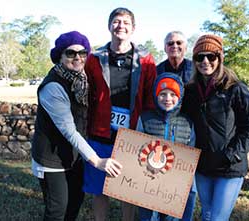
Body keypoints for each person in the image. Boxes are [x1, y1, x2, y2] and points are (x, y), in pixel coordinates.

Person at [31, 31, 122, 221]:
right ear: (60, 56)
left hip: (73, 156)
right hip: (52, 158)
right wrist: (97, 161)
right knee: (57, 209)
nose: (78, 57)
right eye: (70, 53)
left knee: (75, 202)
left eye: (82, 53)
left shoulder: (81, 80)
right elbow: (68, 129)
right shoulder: (53, 87)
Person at [83, 7, 157, 221]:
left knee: (128, 188)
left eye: (125, 22)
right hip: (100, 131)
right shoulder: (94, 58)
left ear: (133, 28)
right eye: (116, 21)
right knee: (99, 188)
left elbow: (150, 98)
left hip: (132, 134)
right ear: (109, 26)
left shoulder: (146, 60)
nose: (120, 26)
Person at [181, 34, 249, 221]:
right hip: (203, 165)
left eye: (211, 56)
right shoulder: (191, 91)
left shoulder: (236, 89)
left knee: (217, 218)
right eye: (200, 57)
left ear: (220, 58)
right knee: (207, 214)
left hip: (229, 166)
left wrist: (234, 153)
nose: (205, 61)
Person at [137, 72, 197, 221]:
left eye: (173, 94)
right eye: (162, 94)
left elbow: (191, 153)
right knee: (149, 216)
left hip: (176, 185)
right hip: (149, 182)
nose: (167, 98)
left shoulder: (187, 122)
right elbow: (137, 148)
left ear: (180, 96)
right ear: (156, 95)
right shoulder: (145, 119)